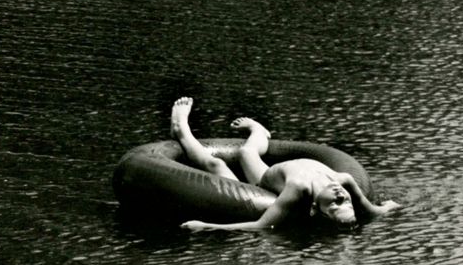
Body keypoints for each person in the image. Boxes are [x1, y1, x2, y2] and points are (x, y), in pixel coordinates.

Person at [170, 97, 401, 231]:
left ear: (314, 208)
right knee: (245, 152)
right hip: (278, 173)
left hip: (263, 182)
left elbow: (260, 226)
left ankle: (181, 129)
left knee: (217, 165)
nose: (341, 195)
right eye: (346, 201)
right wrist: (393, 207)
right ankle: (258, 130)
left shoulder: (299, 189)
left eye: (335, 203)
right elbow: (373, 211)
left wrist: (209, 226)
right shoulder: (344, 181)